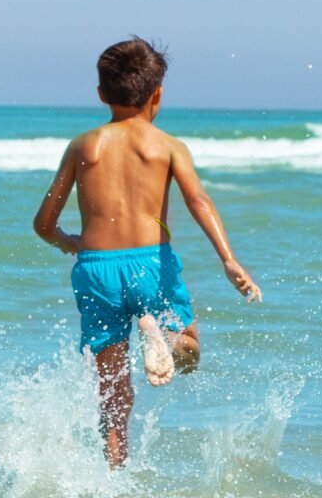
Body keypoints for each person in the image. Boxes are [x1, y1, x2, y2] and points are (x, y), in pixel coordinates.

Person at [33, 37, 262, 468]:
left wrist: (72, 243)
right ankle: (167, 339)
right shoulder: (167, 146)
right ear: (158, 95)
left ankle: (115, 477)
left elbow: (43, 223)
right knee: (189, 348)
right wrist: (229, 260)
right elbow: (199, 202)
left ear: (101, 94)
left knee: (112, 389)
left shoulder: (83, 147)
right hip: (150, 264)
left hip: (96, 269)